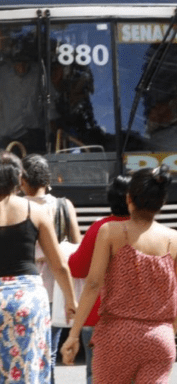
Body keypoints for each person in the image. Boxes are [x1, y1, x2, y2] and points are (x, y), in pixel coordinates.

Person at [61, 165, 177, 384]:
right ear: (162, 202)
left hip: (116, 336)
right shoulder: (174, 239)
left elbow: (92, 285)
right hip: (160, 337)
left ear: (129, 199)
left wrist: (73, 335)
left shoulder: (110, 232)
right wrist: (168, 333)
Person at [0, 150, 77, 383]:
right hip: (28, 299)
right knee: (28, 364)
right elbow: (60, 264)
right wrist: (71, 300)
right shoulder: (36, 211)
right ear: (18, 180)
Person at [20, 153, 81, 383]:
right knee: (50, 353)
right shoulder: (64, 206)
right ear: (48, 180)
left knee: (25, 353)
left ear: (22, 181)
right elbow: (76, 249)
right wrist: (71, 298)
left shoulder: (14, 207)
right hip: (55, 289)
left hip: (23, 288)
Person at [67, 175, 131, 384]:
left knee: (97, 377)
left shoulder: (100, 228)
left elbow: (77, 268)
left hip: (98, 317)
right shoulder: (152, 230)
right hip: (139, 321)